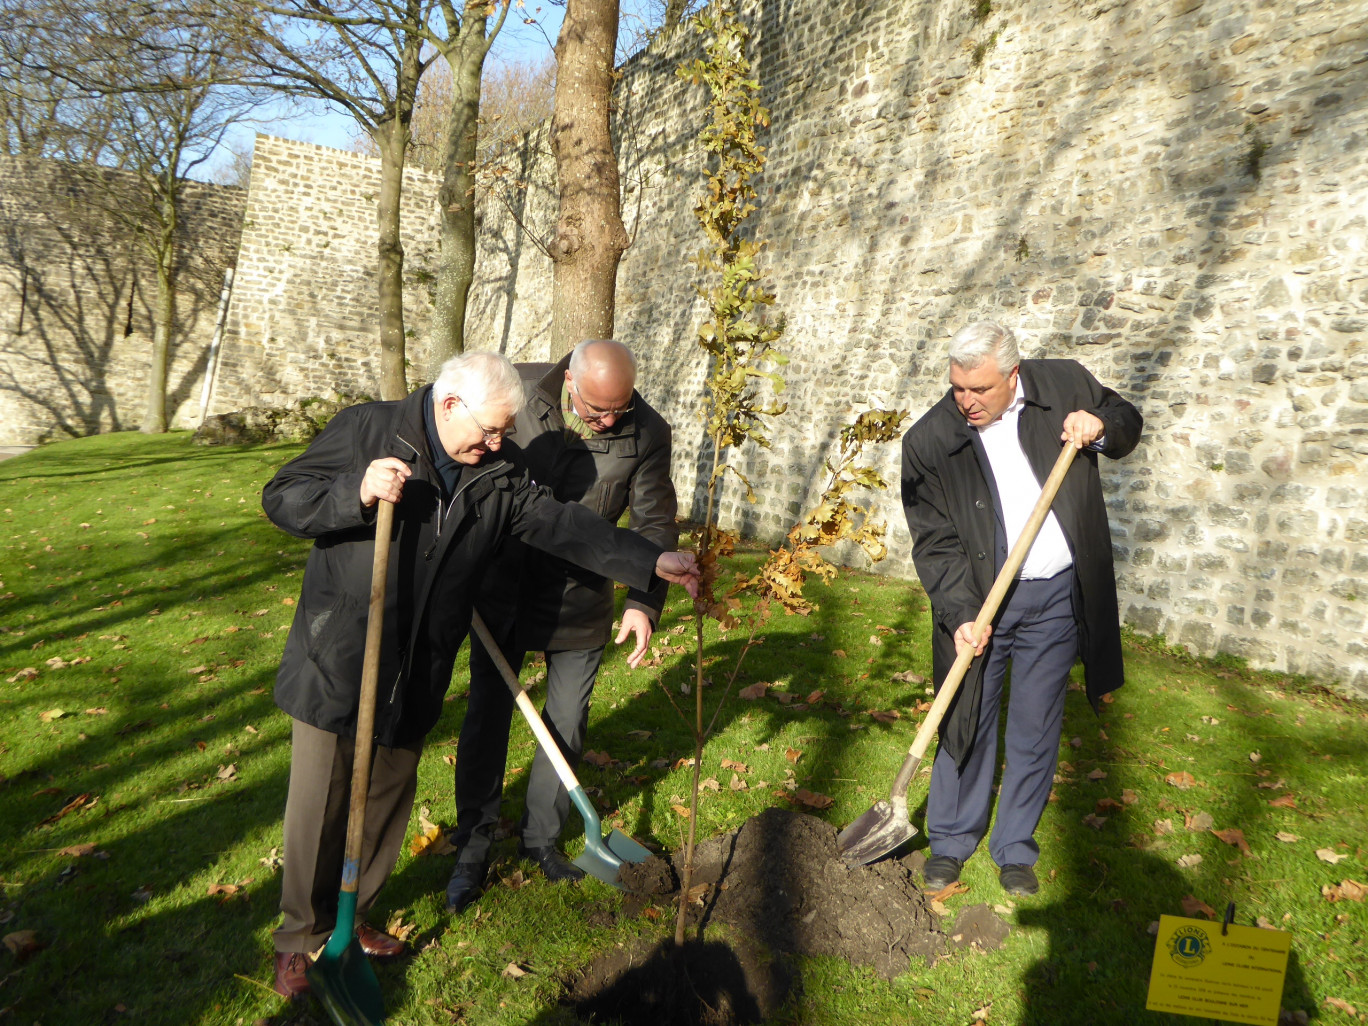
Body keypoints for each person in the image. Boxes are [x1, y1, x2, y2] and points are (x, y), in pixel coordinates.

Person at [260, 351, 699, 1000]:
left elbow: (559, 523)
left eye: (503, 433)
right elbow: (282, 496)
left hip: (420, 659)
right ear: (448, 405)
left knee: (385, 798)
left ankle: (354, 917)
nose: (499, 445)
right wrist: (352, 493)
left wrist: (648, 559)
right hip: (344, 652)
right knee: (321, 802)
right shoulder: (369, 430)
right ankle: (299, 937)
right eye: (490, 431)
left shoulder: (493, 470)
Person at [900, 321, 1142, 897]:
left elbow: (1127, 421)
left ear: (1013, 375)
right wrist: (961, 611)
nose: (966, 401)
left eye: (979, 389)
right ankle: (952, 840)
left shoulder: (1063, 384)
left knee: (1036, 725)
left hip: (1055, 597)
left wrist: (1101, 424)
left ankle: (1014, 848)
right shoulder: (933, 440)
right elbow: (933, 540)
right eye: (957, 387)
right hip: (982, 603)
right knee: (969, 718)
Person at [445, 339, 678, 909]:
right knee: (486, 720)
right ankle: (472, 849)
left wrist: (643, 603)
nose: (606, 422)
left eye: (617, 411)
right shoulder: (515, 392)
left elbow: (653, 519)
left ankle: (541, 840)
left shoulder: (647, 432)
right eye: (597, 409)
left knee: (568, 719)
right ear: (569, 380)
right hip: (500, 589)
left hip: (580, 595)